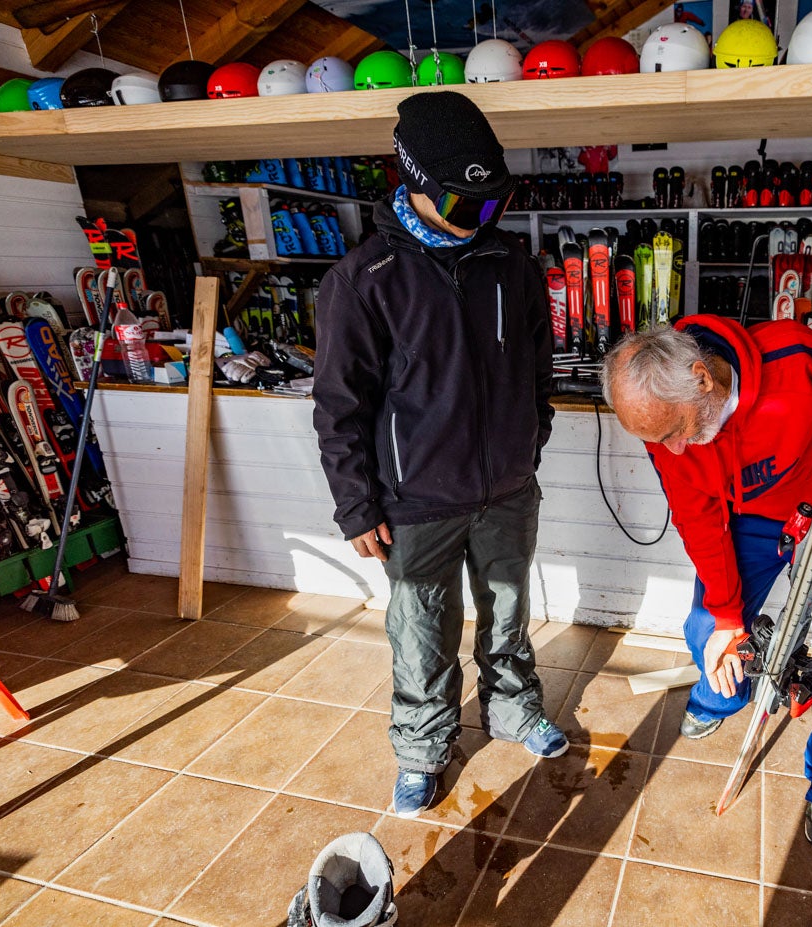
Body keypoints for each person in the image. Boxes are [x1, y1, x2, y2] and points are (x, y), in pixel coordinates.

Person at [313, 91, 567, 819]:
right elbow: (339, 404)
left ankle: (515, 711)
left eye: (495, 204)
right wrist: (356, 503)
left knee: (509, 615)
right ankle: (423, 748)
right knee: (422, 633)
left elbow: (537, 369)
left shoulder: (510, 261)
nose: (484, 219)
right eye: (469, 205)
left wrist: (526, 444)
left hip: (507, 489)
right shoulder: (363, 280)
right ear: (415, 184)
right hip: (416, 500)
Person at [600, 317, 812, 850]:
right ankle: (721, 697)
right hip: (752, 515)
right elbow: (697, 517)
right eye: (658, 442)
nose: (672, 451)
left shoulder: (795, 359)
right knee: (708, 626)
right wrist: (727, 618)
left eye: (676, 432)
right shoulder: (664, 422)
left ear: (703, 378)